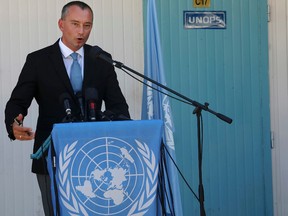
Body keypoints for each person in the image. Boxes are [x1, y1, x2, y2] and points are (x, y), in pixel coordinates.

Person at [4, 1, 130, 215]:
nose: (82, 32)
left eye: (87, 25)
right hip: (51, 156)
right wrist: (14, 123)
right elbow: (18, 101)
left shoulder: (101, 60)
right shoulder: (38, 61)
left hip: (96, 160)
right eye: (75, 24)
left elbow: (119, 108)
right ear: (61, 24)